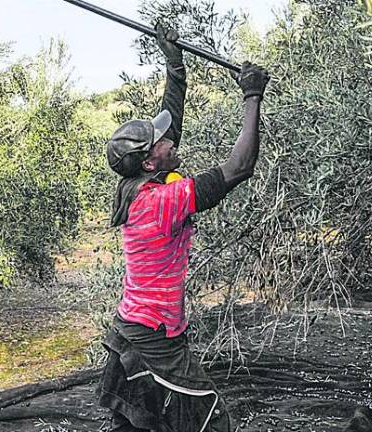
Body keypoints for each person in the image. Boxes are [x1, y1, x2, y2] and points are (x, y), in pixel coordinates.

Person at [98, 23, 270, 432]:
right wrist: (251, 96)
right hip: (153, 337)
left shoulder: (142, 182)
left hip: (135, 328)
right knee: (211, 421)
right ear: (151, 162)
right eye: (162, 141)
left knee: (140, 425)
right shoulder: (161, 202)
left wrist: (173, 63)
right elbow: (239, 167)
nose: (171, 139)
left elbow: (170, 122)